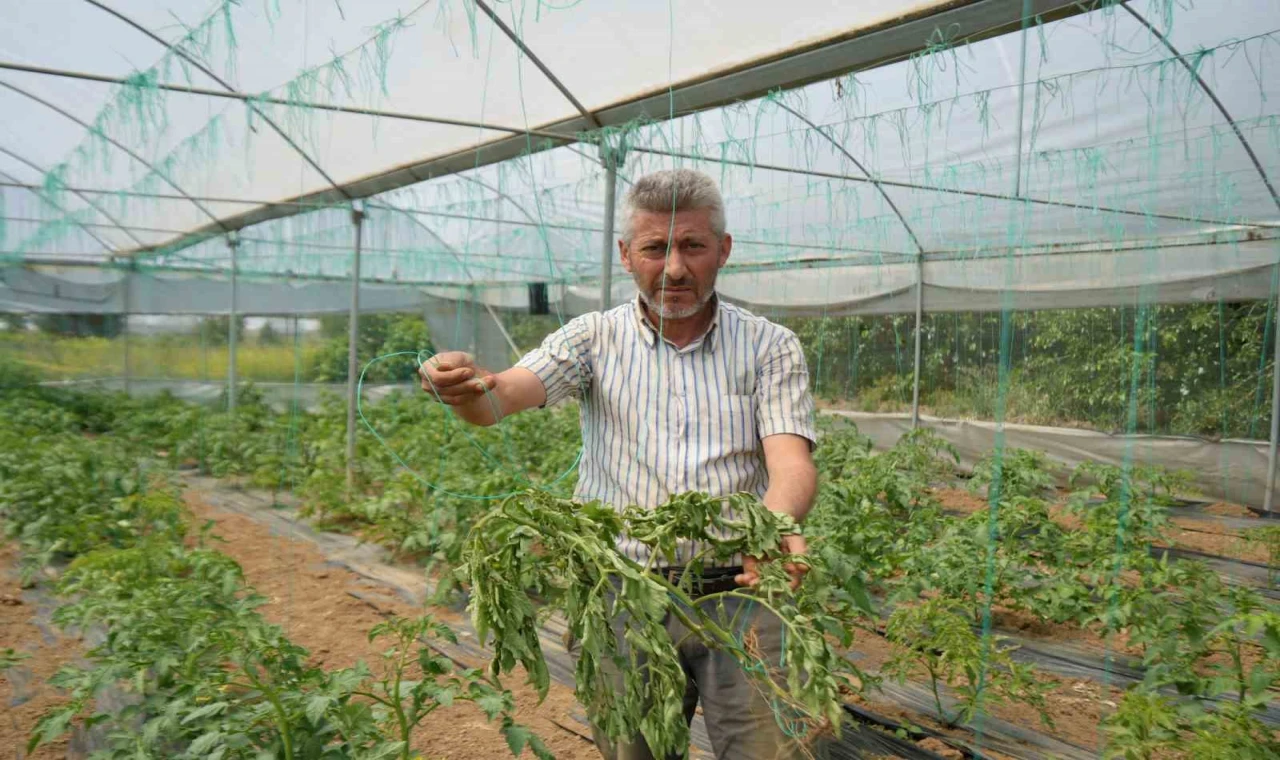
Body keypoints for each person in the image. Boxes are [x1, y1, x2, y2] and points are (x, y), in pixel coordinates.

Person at [419, 168, 819, 760]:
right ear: (627, 255)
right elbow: (500, 395)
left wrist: (774, 525)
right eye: (657, 248)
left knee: (772, 749)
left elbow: (791, 464)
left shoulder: (769, 345)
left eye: (693, 246)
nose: (676, 268)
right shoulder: (591, 340)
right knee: (634, 752)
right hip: (622, 596)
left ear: (723, 251)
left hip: (741, 590)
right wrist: (457, 384)